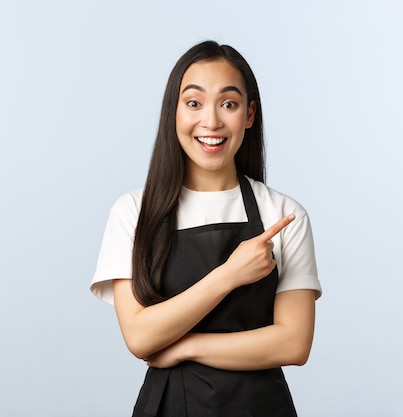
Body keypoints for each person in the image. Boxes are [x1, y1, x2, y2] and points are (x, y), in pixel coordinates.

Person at [90, 40, 322, 417]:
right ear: (174, 113)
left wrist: (185, 347)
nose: (211, 122)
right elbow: (140, 336)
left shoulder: (282, 212)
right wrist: (230, 274)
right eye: (194, 103)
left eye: (228, 104)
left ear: (249, 114)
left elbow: (294, 344)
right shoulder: (134, 212)